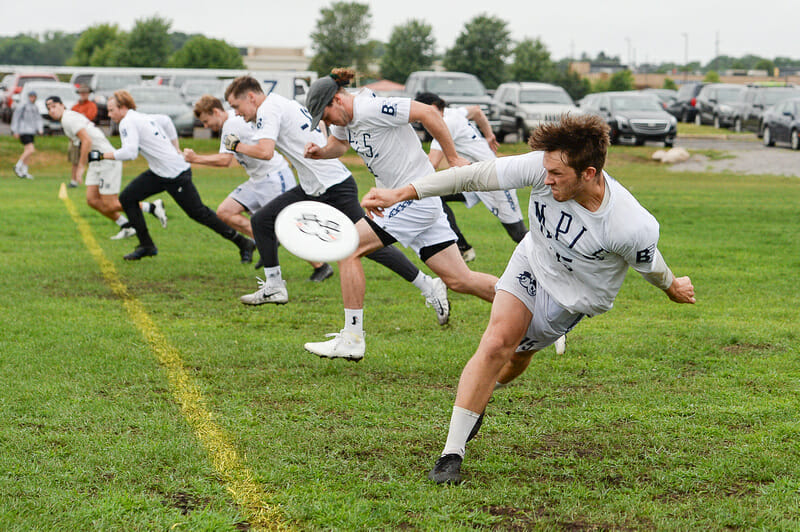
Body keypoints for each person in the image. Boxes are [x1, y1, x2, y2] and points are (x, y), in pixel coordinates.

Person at [361, 114, 696, 484]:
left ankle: (485, 392)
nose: (546, 178)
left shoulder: (630, 225)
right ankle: (451, 454)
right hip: (532, 259)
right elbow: (469, 176)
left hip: (571, 297)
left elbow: (650, 266)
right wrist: (401, 193)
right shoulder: (543, 166)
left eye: (557, 174)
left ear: (588, 173)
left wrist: (673, 287)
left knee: (517, 356)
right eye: (546, 169)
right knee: (496, 343)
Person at [224, 75, 450, 356]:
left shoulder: (272, 109)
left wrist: (236, 146)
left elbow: (265, 151)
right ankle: (274, 286)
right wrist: (319, 152)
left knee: (357, 247)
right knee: (262, 221)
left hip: (334, 187)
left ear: (251, 97)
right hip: (314, 186)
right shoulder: (313, 112)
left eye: (237, 106)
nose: (237, 113)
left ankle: (421, 289)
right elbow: (337, 144)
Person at [301, 69, 498, 360]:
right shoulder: (346, 121)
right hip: (410, 202)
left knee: (347, 247)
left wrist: (453, 157)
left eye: (326, 116)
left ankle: (353, 338)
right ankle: (533, 308)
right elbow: (340, 144)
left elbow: (429, 113)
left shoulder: (373, 107)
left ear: (337, 100)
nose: (327, 124)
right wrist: (321, 152)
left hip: (415, 198)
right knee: (460, 280)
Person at [184, 94, 333, 279]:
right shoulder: (234, 119)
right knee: (225, 211)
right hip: (257, 180)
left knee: (289, 225)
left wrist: (195, 158)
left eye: (206, 121)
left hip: (274, 177)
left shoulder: (231, 123)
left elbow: (225, 161)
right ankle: (265, 241)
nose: (206, 126)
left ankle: (321, 265)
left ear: (215, 111)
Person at [98, 89, 255, 262]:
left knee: (199, 213)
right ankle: (146, 246)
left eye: (112, 110)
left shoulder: (127, 122)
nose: (109, 114)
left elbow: (130, 152)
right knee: (127, 198)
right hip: (159, 173)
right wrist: (176, 148)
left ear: (123, 107)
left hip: (175, 174)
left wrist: (102, 155)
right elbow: (166, 121)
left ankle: (243, 242)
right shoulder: (142, 117)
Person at [414, 92, 527, 262]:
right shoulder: (455, 112)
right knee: (434, 196)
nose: (422, 118)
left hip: (495, 180)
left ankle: (553, 258)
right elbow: (476, 111)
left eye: (423, 111)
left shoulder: (445, 123)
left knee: (519, 234)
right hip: (473, 181)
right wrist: (489, 135)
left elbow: (433, 163)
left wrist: (407, 180)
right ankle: (463, 248)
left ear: (436, 107)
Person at [45, 95, 166, 240]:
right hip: (96, 162)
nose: (51, 110)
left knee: (110, 204)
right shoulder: (67, 119)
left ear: (62, 105)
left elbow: (87, 141)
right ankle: (126, 226)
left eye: (54, 106)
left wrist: (80, 167)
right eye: (48, 108)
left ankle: (152, 207)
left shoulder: (68, 118)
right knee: (92, 200)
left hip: (107, 160)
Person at [67, 85, 98, 187]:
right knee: (75, 160)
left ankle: (92, 180)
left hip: (87, 135)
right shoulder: (75, 107)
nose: (83, 95)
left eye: (85, 93)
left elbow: (89, 117)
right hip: (76, 136)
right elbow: (70, 120)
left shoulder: (91, 105)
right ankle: (74, 181)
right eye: (81, 93)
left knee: (90, 159)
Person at [11, 90, 43, 179]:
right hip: (23, 131)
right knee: (31, 150)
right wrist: (15, 130)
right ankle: (18, 166)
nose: (32, 98)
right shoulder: (23, 105)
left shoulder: (35, 107)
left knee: (27, 151)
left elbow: (38, 119)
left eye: (34, 96)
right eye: (31, 96)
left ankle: (24, 171)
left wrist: (40, 129)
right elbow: (16, 117)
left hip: (31, 131)